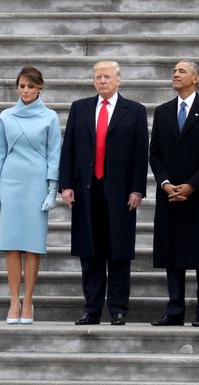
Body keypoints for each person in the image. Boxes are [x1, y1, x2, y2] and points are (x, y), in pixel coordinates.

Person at [59, 60, 148, 326]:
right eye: (98, 77)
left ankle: (118, 308)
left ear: (118, 80)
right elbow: (69, 149)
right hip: (86, 190)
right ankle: (92, 308)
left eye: (107, 77)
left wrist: (137, 189)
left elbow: (139, 153)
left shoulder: (134, 111)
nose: (102, 81)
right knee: (90, 253)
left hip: (120, 192)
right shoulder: (80, 108)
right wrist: (66, 185)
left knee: (118, 252)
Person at [149, 60, 199, 327]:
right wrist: (165, 182)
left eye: (181, 71)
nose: (175, 74)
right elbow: (154, 153)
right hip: (169, 193)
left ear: (197, 78)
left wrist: (192, 185)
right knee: (172, 254)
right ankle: (175, 309)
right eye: (174, 71)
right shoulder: (163, 111)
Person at [0, 66, 62, 324]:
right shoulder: (6, 116)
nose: (26, 90)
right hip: (11, 182)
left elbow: (55, 154)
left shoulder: (50, 117)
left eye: (31, 86)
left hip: (36, 184)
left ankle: (28, 301)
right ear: (17, 87)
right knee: (10, 245)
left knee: (32, 246)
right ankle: (13, 301)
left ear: (39, 87)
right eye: (22, 86)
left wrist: (52, 190)